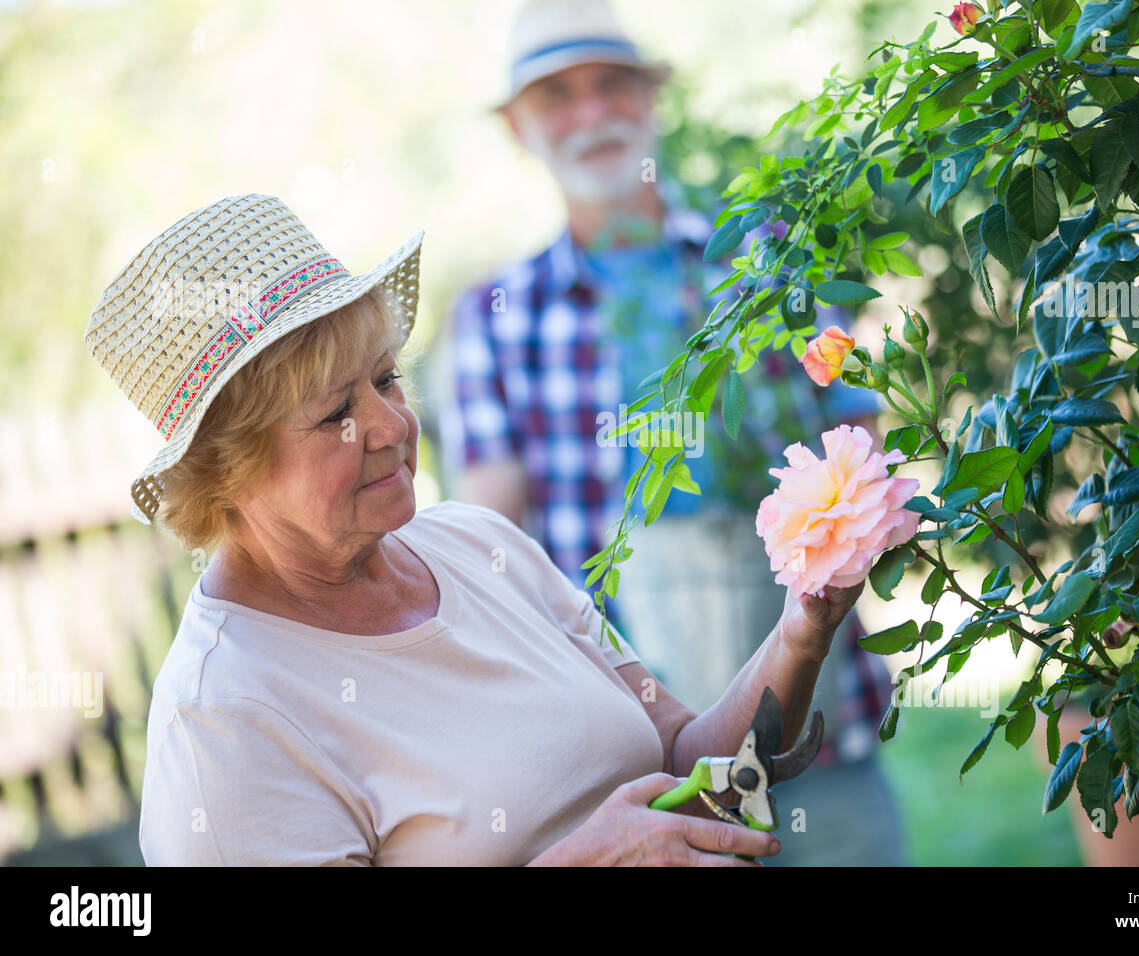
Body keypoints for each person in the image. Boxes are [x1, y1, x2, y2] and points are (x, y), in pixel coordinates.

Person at [85, 193, 864, 865]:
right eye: (335, 416)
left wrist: (803, 625)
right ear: (227, 474)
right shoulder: (225, 719)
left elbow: (685, 759)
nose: (390, 426)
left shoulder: (480, 547)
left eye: (387, 378)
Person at [430, 0, 906, 864]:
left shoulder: (765, 263)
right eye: (557, 96)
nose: (591, 112)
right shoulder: (495, 319)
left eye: (612, 85)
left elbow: (859, 434)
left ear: (650, 100)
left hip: (818, 738)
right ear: (517, 127)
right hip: (645, 783)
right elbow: (495, 550)